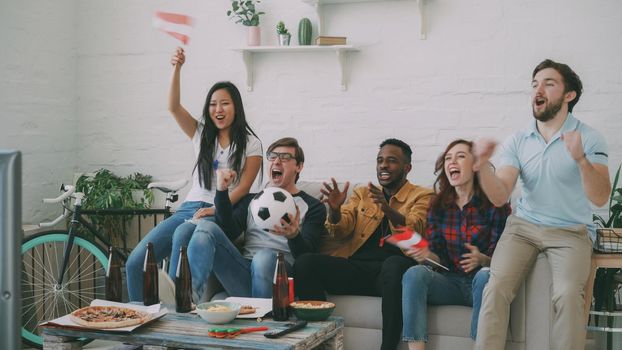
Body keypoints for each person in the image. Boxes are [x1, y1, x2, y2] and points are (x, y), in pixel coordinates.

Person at [473, 59, 611, 350]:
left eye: (549, 84)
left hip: (570, 231)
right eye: (535, 84)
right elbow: (500, 195)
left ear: (568, 95)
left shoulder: (588, 137)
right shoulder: (518, 139)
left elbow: (600, 197)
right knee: (495, 287)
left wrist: (581, 159)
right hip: (523, 227)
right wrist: (482, 164)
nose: (539, 89)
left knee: (568, 294)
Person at [126, 47, 262, 302]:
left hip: (219, 211)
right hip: (188, 208)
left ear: (236, 107)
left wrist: (213, 208)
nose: (217, 109)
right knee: (136, 262)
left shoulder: (251, 144)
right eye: (212, 104)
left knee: (182, 235)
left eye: (224, 103)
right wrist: (176, 67)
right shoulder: (201, 135)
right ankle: (137, 334)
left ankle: (179, 301)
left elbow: (243, 188)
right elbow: (173, 106)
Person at [295, 138, 434, 350]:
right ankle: (320, 341)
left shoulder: (422, 195)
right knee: (305, 263)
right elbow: (341, 230)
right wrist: (333, 210)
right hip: (358, 268)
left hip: (394, 273)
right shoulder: (363, 193)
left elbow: (416, 230)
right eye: (380, 160)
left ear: (407, 168)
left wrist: (387, 209)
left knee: (394, 265)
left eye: (391, 161)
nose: (383, 165)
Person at [400, 139, 511, 350]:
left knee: (485, 275)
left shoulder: (495, 204)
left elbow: (508, 257)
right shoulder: (439, 205)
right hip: (449, 282)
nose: (452, 161)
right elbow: (437, 258)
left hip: (481, 283)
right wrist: (425, 254)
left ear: (475, 165)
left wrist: (483, 258)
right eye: (448, 158)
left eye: (460, 156)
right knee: (414, 273)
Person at [187, 137, 327, 301]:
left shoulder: (313, 206)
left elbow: (307, 257)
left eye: (285, 157)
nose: (276, 161)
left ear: (299, 166)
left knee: (264, 257)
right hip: (243, 273)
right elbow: (229, 231)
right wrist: (222, 191)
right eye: (273, 156)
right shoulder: (251, 200)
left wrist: (294, 235)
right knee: (206, 227)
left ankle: (264, 318)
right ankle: (188, 299)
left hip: (279, 277)